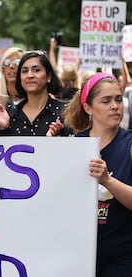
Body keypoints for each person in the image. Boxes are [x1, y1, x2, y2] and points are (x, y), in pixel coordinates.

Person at [64, 72, 132, 276]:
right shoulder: (74, 145)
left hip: (122, 258)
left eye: (119, 99)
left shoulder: (129, 144)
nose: (115, 106)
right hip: (77, 256)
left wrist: (107, 180)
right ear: (88, 107)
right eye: (106, 100)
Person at [0, 50, 72, 136]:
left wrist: (57, 139)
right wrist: (4, 129)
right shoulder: (10, 115)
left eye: (36, 70)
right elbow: (2, 148)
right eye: (25, 71)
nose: (30, 75)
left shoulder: (65, 112)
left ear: (49, 76)